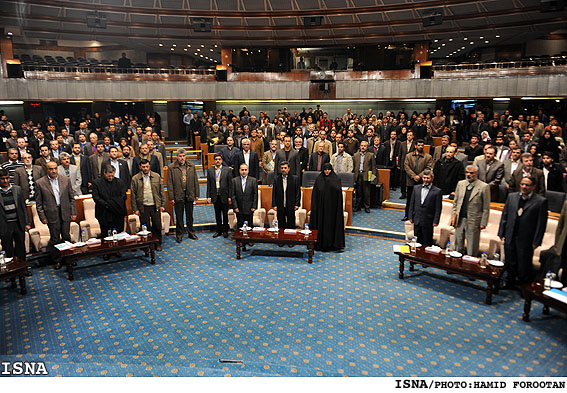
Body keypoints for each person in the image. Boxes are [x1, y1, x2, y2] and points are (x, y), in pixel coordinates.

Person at [498, 176, 548, 288]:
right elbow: (505, 215)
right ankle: (509, 282)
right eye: (522, 184)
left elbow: (541, 224)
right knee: (510, 261)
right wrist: (501, 232)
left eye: (527, 185)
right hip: (510, 235)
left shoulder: (541, 201)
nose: (524, 187)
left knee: (523, 263)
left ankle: (523, 286)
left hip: (526, 238)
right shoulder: (512, 197)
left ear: (533, 187)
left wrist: (537, 241)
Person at [35, 161, 76, 269]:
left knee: (66, 236)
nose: (53, 171)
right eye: (50, 169)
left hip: (65, 212)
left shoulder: (65, 180)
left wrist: (73, 212)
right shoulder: (40, 183)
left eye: (55, 168)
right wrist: (42, 217)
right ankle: (57, 260)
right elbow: (39, 203)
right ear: (46, 170)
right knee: (55, 238)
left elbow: (72, 198)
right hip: (51, 214)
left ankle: (69, 258)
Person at [451, 165, 490, 257]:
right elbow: (455, 203)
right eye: (467, 172)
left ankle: (469, 266)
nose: (468, 175)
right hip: (460, 219)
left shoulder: (484, 187)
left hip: (474, 220)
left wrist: (483, 222)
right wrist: (453, 217)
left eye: (471, 173)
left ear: (476, 173)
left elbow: (486, 207)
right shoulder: (460, 184)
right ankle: (456, 264)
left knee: (472, 245)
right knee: (458, 242)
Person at [92, 165, 128, 260]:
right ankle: (106, 251)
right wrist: (107, 204)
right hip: (103, 211)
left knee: (116, 232)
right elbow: (96, 197)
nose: (111, 178)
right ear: (104, 173)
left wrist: (111, 204)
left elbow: (123, 196)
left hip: (117, 211)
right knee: (105, 232)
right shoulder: (97, 183)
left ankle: (116, 249)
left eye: (112, 176)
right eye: (109, 176)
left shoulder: (119, 182)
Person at [131, 159, 166, 251]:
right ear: (140, 167)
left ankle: (158, 243)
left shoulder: (156, 176)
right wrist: (135, 209)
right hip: (143, 206)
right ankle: (148, 245)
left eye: (147, 166)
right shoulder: (135, 178)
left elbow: (161, 191)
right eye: (143, 167)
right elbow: (133, 195)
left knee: (157, 225)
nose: (145, 168)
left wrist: (162, 204)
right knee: (145, 226)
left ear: (149, 166)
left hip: (155, 205)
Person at [309, 163, 345, 252]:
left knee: (330, 226)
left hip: (331, 210)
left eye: (328, 170)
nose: (327, 171)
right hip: (320, 209)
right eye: (325, 170)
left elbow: (338, 195)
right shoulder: (319, 179)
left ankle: (332, 244)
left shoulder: (336, 179)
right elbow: (315, 194)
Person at [166, 149, 199, 242]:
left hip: (189, 194)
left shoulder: (191, 166)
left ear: (186, 156)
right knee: (179, 216)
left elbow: (195, 180)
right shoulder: (172, 167)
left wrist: (196, 193)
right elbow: (169, 183)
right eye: (180, 156)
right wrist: (171, 197)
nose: (182, 158)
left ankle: (191, 233)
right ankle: (179, 235)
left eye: (183, 156)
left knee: (190, 216)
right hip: (178, 194)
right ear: (177, 157)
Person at [0, 168, 30, 268]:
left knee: (20, 247)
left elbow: (23, 207)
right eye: (2, 179)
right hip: (4, 225)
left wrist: (27, 222)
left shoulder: (17, 189)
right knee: (7, 248)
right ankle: (11, 269)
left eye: (7, 178)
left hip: (18, 223)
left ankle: (23, 268)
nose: (5, 181)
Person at [408, 170, 442, 247]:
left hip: (428, 221)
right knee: (416, 242)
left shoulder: (437, 191)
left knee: (427, 242)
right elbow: (412, 203)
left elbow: (438, 208)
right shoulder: (416, 188)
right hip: (417, 219)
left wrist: (436, 221)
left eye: (428, 178)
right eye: (424, 178)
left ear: (432, 179)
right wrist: (410, 216)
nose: (426, 180)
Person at [402, 139, 433, 220]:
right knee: (409, 200)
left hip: (422, 181)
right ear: (415, 146)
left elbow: (428, 168)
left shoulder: (428, 157)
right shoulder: (408, 156)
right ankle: (407, 215)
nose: (420, 147)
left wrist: (419, 176)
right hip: (410, 181)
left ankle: (418, 216)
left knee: (420, 200)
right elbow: (406, 167)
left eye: (422, 145)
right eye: (419, 145)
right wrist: (413, 176)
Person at [206, 153, 232, 238]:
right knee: (217, 214)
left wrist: (230, 196)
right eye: (216, 159)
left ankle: (225, 230)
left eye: (219, 159)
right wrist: (208, 196)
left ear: (222, 160)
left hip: (224, 195)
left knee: (225, 214)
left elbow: (230, 184)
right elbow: (209, 184)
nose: (218, 161)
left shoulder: (227, 170)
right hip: (215, 195)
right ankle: (219, 230)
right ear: (214, 160)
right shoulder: (210, 170)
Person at [272, 161, 301, 229]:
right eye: (282, 168)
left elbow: (298, 192)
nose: (283, 170)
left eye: (285, 168)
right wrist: (274, 204)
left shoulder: (295, 179)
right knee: (281, 224)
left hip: (291, 204)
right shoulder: (276, 179)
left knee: (291, 224)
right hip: (280, 205)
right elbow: (274, 193)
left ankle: (290, 238)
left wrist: (297, 204)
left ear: (289, 168)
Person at [230, 163, 258, 229]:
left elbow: (255, 194)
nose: (244, 171)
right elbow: (233, 195)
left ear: (248, 170)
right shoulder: (234, 181)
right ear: (239, 170)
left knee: (250, 226)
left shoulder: (253, 180)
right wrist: (235, 207)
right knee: (240, 226)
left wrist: (254, 206)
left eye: (245, 170)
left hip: (249, 208)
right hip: (239, 208)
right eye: (242, 170)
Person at [353, 141, 376, 213]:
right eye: (362, 145)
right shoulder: (355, 155)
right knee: (358, 192)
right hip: (358, 175)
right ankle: (357, 206)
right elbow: (353, 167)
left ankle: (367, 207)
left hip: (366, 175)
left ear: (367, 147)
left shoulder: (371, 155)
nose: (363, 147)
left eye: (364, 146)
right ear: (359, 146)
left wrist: (373, 178)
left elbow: (373, 167)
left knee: (366, 192)